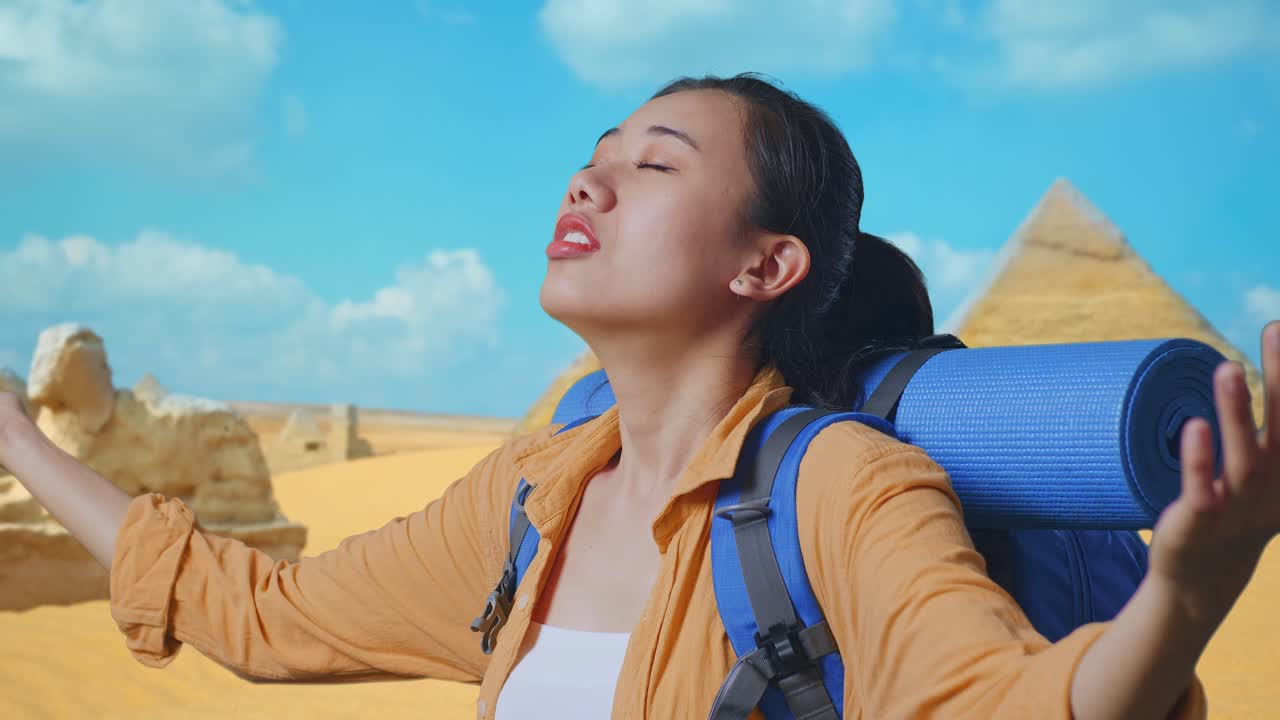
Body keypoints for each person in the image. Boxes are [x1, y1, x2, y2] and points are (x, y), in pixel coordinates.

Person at [1, 73, 1276, 720]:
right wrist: (17, 435)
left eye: (652, 164)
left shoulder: (839, 482)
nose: (589, 184)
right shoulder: (527, 496)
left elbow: (997, 704)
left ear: (763, 264)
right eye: (589, 159)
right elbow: (255, 611)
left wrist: (1185, 590)